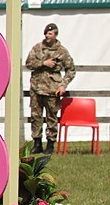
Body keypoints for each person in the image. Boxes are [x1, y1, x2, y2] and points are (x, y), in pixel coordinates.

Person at [24, 22, 76, 154]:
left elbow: (71, 70)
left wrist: (63, 84)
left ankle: (51, 144)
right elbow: (29, 63)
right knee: (36, 116)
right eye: (46, 33)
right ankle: (37, 143)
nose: (47, 36)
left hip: (53, 89)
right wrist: (43, 63)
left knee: (51, 117)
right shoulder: (37, 48)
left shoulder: (62, 51)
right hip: (36, 87)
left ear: (55, 35)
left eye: (50, 34)